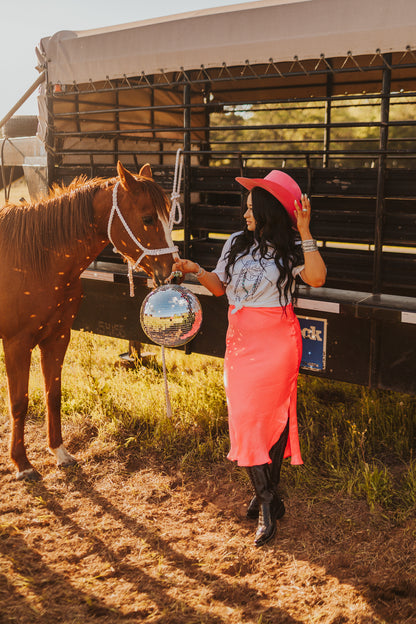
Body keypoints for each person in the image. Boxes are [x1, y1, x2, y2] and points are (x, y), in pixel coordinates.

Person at [171, 170, 326, 547]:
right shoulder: (237, 243)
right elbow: (221, 288)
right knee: (245, 418)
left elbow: (318, 278)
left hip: (277, 341)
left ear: (268, 210)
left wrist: (305, 232)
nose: (245, 215)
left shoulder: (289, 246)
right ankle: (268, 494)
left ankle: (268, 503)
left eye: (251, 209)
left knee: (268, 421)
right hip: (240, 341)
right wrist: (197, 271)